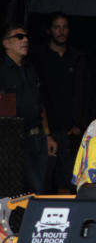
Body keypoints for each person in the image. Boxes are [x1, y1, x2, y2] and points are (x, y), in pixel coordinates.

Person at [31, 11, 90, 193]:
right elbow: (36, 95)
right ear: (49, 30)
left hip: (70, 131)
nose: (61, 31)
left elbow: (84, 94)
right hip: (45, 130)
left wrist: (79, 124)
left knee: (68, 182)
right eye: (57, 27)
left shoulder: (78, 57)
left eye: (64, 27)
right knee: (42, 183)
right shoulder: (38, 56)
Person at [0, 24, 58, 194]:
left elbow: (40, 105)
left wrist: (47, 135)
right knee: (17, 191)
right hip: (14, 140)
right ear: (6, 43)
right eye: (19, 37)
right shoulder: (2, 71)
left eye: (25, 36)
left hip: (37, 138)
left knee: (38, 190)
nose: (25, 40)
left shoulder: (30, 69)